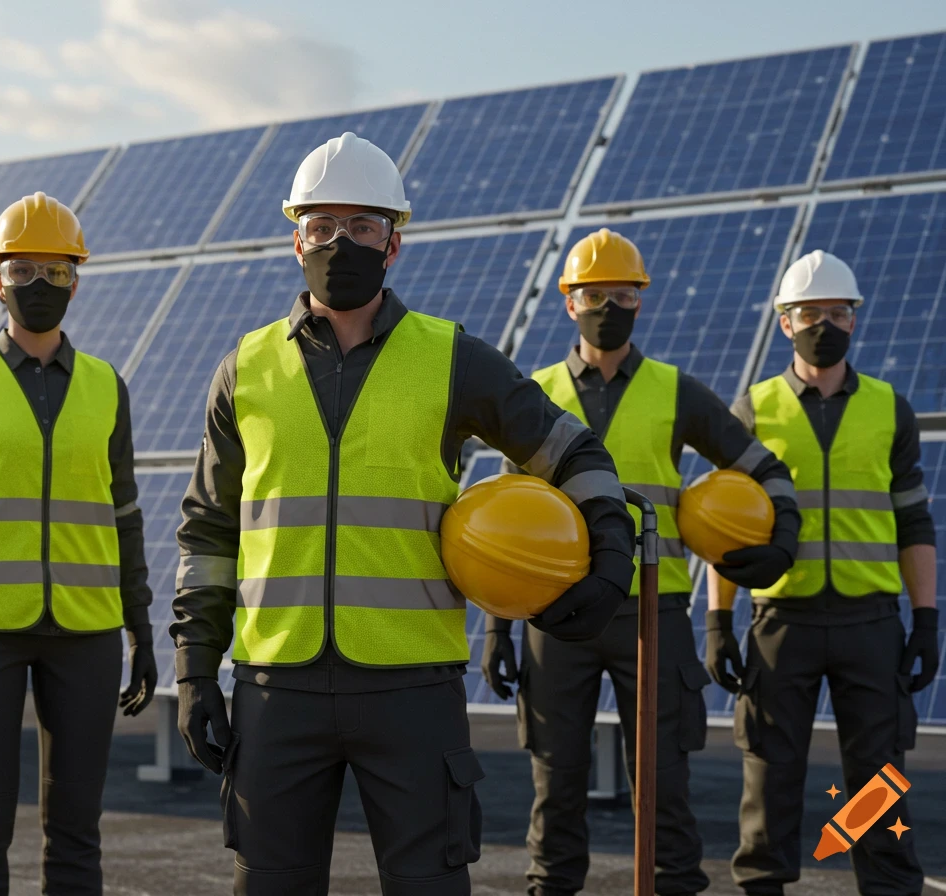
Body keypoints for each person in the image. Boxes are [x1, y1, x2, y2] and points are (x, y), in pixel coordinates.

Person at [171, 132, 637, 896]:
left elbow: (573, 451)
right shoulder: (244, 368)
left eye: (362, 226)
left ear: (394, 245)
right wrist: (194, 667)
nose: (340, 242)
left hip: (411, 692)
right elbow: (209, 532)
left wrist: (610, 551)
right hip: (274, 688)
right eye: (322, 226)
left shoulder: (451, 357)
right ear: (296, 241)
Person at [482, 229, 802, 896]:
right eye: (593, 294)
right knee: (555, 779)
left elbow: (762, 468)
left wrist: (784, 535)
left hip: (652, 614)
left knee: (662, 781)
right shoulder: (531, 392)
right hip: (556, 615)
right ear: (568, 302)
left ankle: (672, 887)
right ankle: (552, 888)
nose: (609, 305)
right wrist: (497, 628)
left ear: (641, 300)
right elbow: (500, 518)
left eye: (623, 293)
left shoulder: (675, 391)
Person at [0, 192, 157, 895]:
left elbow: (126, 516)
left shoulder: (108, 386)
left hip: (88, 631)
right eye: (23, 271)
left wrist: (142, 631)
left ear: (78, 277)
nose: (39, 286)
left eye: (56, 271)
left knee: (76, 831)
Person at [713, 250, 937, 896]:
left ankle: (888, 888)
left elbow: (914, 524)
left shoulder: (890, 410)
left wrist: (925, 620)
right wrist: (717, 623)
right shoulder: (753, 411)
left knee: (876, 782)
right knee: (770, 776)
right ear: (785, 322)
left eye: (838, 312)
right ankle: (764, 885)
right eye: (810, 313)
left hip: (871, 624)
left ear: (855, 320)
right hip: (783, 622)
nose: (825, 324)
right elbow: (726, 525)